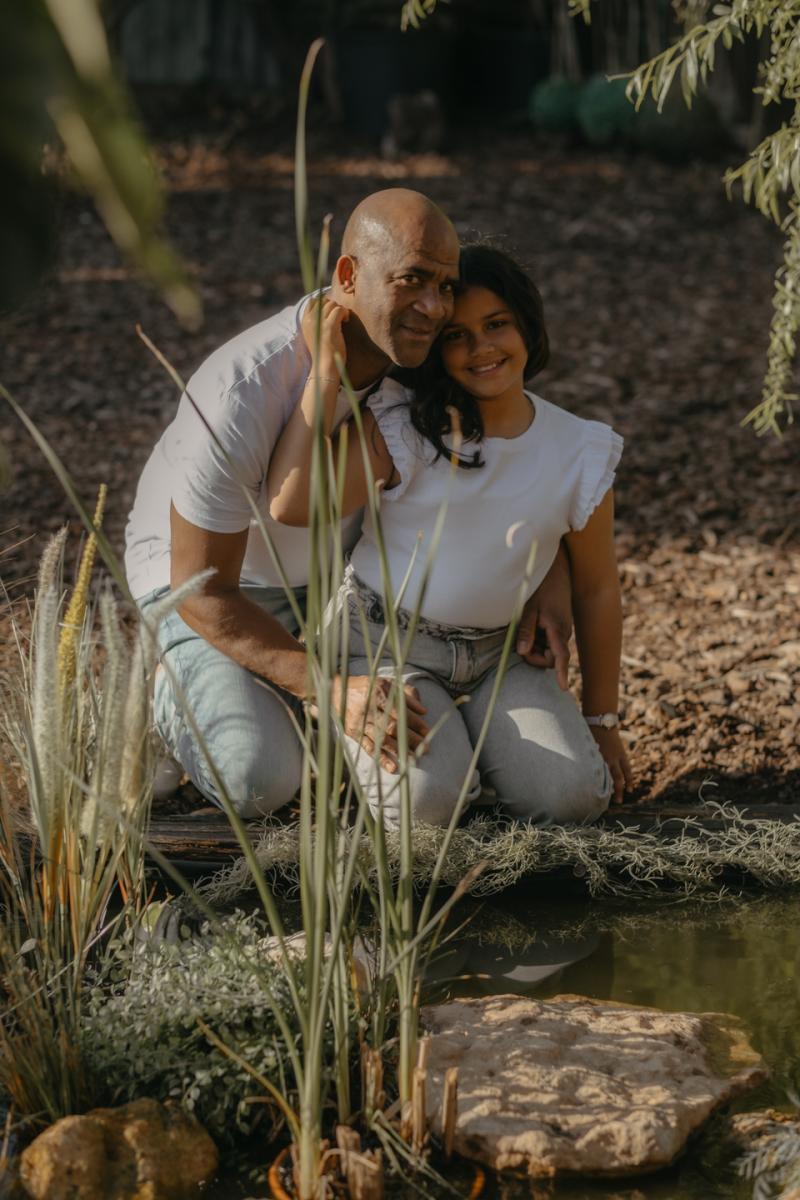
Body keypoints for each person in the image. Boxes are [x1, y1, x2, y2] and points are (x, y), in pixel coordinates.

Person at [124, 191, 573, 818]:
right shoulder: (241, 390)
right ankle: (166, 697)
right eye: (412, 280)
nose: (434, 307)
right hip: (215, 588)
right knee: (257, 779)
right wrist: (330, 689)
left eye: (445, 286)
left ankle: (310, 712)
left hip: (345, 590)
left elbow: (504, 463)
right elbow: (200, 589)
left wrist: (550, 574)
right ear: (348, 274)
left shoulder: (418, 355)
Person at [267, 242, 634, 826]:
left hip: (501, 657)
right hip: (385, 647)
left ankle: (469, 752)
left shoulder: (578, 450)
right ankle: (365, 741)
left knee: (573, 799)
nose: (481, 347)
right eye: (457, 335)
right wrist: (325, 375)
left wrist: (602, 720)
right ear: (436, 348)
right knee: (426, 807)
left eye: (497, 325)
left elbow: (597, 589)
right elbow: (292, 502)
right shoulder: (406, 427)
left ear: (528, 326)